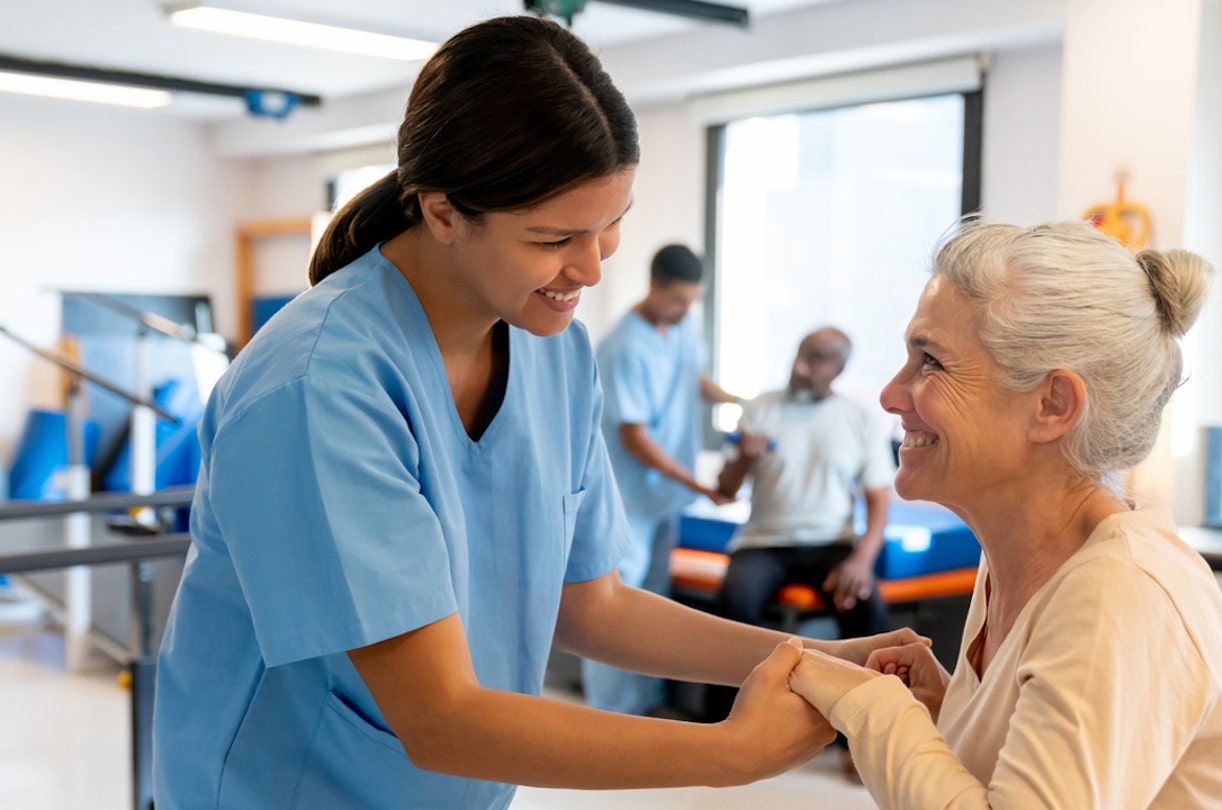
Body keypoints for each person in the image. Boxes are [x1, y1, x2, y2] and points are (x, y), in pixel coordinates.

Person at [152, 17, 922, 810]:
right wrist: (727, 752)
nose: (590, 267)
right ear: (445, 212)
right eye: (556, 237)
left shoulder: (555, 353)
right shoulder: (317, 387)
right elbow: (440, 717)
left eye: (611, 225)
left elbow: (593, 604)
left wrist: (827, 663)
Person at [783, 220, 1222, 808]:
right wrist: (945, 712)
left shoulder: (1117, 592)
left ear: (1051, 405)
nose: (891, 395)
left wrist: (870, 709)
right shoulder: (1013, 561)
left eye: (932, 363)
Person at [704, 326, 895, 724]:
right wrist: (743, 458)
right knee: (734, 602)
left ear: (838, 368)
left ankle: (861, 735)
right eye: (799, 355)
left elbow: (879, 499)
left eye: (815, 360)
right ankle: (725, 723)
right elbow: (725, 488)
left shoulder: (858, 419)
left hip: (832, 543)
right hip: (763, 543)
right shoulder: (761, 407)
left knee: (866, 606)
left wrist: (861, 561)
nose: (800, 367)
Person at [582, 243, 742, 715]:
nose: (686, 309)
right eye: (678, 300)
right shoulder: (624, 346)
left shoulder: (681, 326)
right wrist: (699, 486)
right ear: (654, 286)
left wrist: (743, 401)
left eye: (693, 300)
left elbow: (691, 378)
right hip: (626, 499)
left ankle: (647, 704)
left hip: (664, 499)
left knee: (652, 602)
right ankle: (612, 713)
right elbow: (634, 437)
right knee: (614, 608)